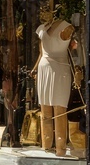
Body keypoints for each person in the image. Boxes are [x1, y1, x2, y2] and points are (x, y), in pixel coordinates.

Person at [32, 18, 75, 156]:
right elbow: (41, 52)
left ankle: (60, 149)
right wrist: (34, 69)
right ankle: (46, 146)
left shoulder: (67, 27)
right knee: (45, 110)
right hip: (44, 68)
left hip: (59, 69)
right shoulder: (43, 27)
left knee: (59, 109)